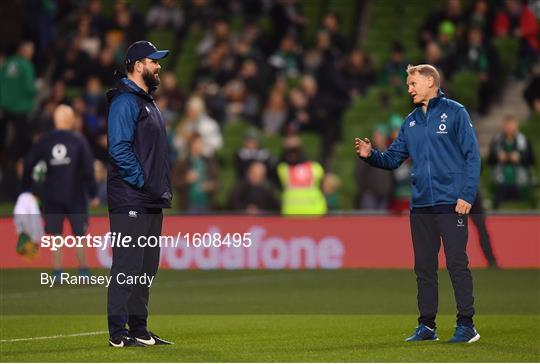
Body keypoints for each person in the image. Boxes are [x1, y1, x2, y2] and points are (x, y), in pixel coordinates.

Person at [355, 64, 481, 343]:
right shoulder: (411, 121)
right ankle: (427, 326)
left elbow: (473, 156)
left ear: (430, 82)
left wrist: (467, 195)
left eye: (413, 83)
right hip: (421, 203)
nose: (409, 89)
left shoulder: (456, 112)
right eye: (408, 84)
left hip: (452, 202)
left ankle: (466, 325)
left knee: (457, 263)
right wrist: (370, 154)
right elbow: (392, 159)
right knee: (424, 266)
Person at [106, 40, 173, 348]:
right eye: (153, 61)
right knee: (128, 265)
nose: (158, 66)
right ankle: (118, 334)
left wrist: (154, 188)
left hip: (148, 198)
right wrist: (143, 181)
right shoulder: (125, 102)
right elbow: (119, 149)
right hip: (131, 197)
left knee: (146, 267)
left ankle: (140, 329)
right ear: (136, 65)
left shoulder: (145, 101)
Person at [22, 104, 98, 278]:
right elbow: (88, 169)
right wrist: (93, 193)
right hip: (75, 195)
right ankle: (83, 271)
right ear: (71, 121)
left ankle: (57, 271)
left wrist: (27, 187)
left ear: (55, 120)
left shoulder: (45, 140)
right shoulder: (78, 140)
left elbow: (28, 163)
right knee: (80, 235)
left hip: (52, 195)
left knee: (56, 235)